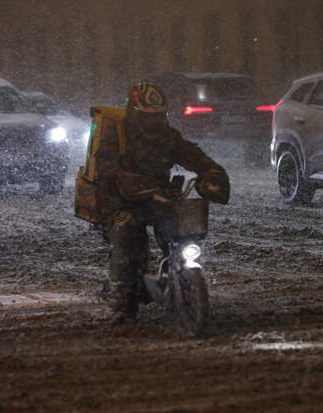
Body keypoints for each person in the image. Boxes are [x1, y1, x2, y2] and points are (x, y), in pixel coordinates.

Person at [96, 81, 230, 325]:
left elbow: (195, 157)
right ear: (134, 114)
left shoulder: (168, 137)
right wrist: (135, 185)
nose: (153, 123)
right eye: (148, 117)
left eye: (158, 117)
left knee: (181, 235)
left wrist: (211, 174)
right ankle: (120, 305)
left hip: (158, 198)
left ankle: (177, 278)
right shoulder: (115, 136)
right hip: (120, 202)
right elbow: (108, 171)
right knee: (127, 239)